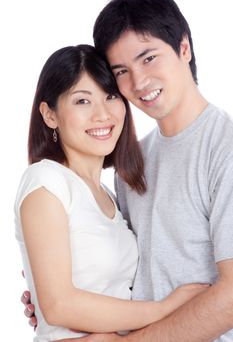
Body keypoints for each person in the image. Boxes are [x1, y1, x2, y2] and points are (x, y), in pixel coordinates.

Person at [15, 44, 207, 342]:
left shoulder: (111, 194)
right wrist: (165, 309)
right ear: (49, 115)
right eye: (82, 101)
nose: (102, 114)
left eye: (111, 96)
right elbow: (58, 306)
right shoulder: (46, 180)